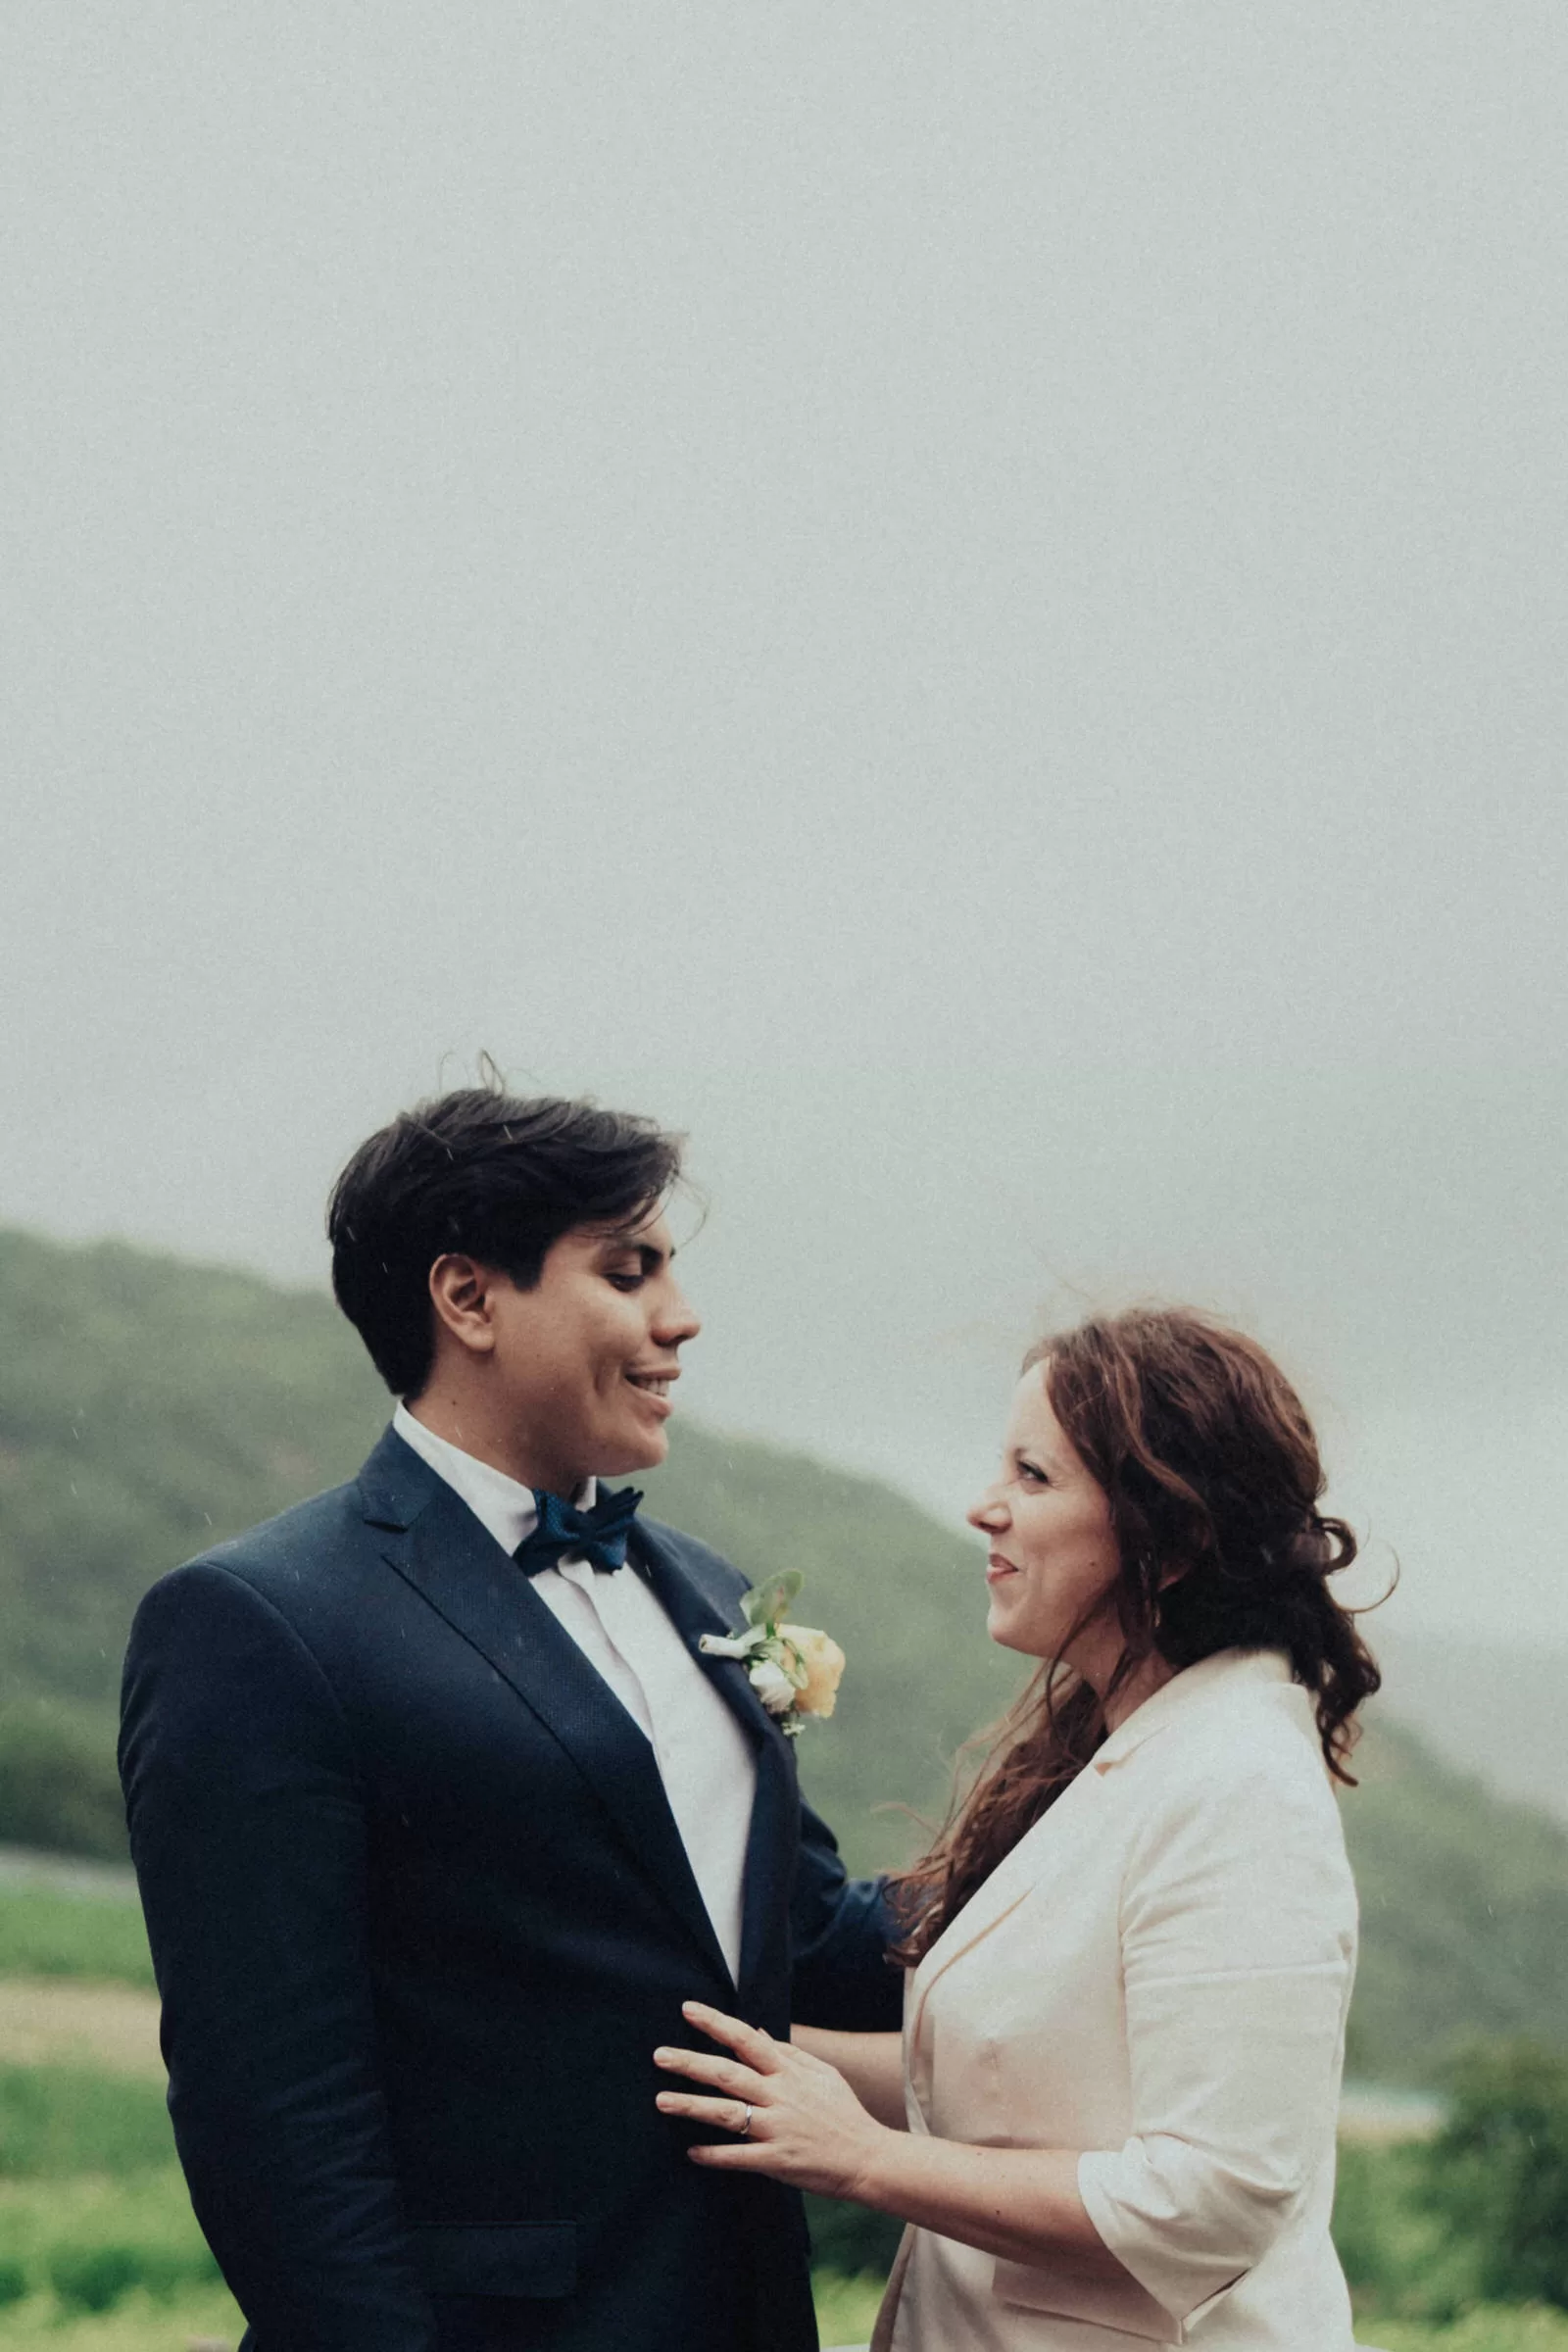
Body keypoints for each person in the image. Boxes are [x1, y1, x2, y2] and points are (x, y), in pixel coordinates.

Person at [120, 1083, 901, 2352]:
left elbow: (799, 1938)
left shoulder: (702, 1586)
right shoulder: (262, 1624)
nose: (681, 1318)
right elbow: (274, 2116)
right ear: (469, 1297)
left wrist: (1085, 1817)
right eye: (628, 1270)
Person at [654, 1306, 1381, 2351]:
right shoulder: (1121, 1750)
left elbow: (1215, 2198)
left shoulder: (1237, 1786)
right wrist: (729, 2051)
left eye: (1033, 1477)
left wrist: (858, 2159)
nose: (981, 1509)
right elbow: (982, 2096)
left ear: (1167, 1539)